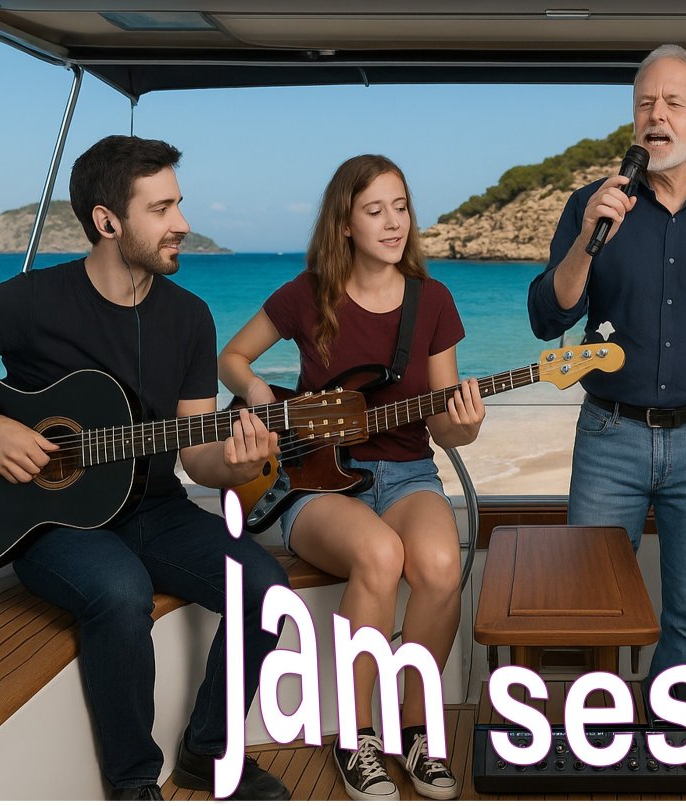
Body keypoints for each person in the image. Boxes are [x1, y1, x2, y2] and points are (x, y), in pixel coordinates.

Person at [0, 135, 290, 800]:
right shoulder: (29, 301)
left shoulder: (189, 318)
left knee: (265, 589)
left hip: (157, 511)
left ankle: (209, 754)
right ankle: (133, 785)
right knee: (121, 593)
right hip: (50, 523)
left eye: (178, 204)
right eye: (162, 209)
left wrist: (241, 459)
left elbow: (198, 454)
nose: (183, 223)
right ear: (107, 222)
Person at [219, 155, 482, 801]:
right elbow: (233, 357)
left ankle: (416, 730)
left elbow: (444, 425)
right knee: (380, 555)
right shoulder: (307, 294)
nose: (393, 223)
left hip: (409, 471)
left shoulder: (434, 300)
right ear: (345, 224)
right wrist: (267, 405)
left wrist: (465, 427)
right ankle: (356, 737)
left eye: (401, 206)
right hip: (315, 481)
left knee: (442, 564)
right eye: (375, 210)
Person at [527, 44, 686, 697]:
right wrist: (590, 239)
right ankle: (602, 738)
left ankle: (671, 747)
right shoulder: (593, 204)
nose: (656, 116)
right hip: (609, 440)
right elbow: (548, 318)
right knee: (592, 607)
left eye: (673, 103)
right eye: (645, 103)